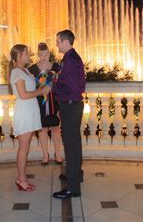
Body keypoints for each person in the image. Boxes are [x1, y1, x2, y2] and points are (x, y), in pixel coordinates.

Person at [9, 44, 51, 192]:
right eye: (26, 53)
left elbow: (31, 90)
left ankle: (22, 178)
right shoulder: (16, 73)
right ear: (19, 56)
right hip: (24, 112)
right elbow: (23, 95)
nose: (29, 55)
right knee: (23, 148)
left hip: (31, 110)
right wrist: (41, 92)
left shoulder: (26, 71)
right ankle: (21, 179)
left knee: (25, 147)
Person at [52, 30, 86, 199]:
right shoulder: (70, 58)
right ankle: (75, 174)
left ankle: (73, 188)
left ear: (65, 42)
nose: (56, 44)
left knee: (71, 146)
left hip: (71, 106)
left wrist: (53, 87)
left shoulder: (71, 61)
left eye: (58, 41)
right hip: (71, 106)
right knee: (74, 143)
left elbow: (71, 87)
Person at [28, 42, 63, 166]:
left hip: (54, 101)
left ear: (49, 53)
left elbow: (61, 83)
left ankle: (58, 153)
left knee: (55, 128)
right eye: (41, 54)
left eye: (46, 54)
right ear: (38, 55)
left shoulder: (56, 67)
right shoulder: (32, 69)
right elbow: (30, 87)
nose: (44, 56)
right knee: (42, 129)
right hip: (39, 101)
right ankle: (45, 154)